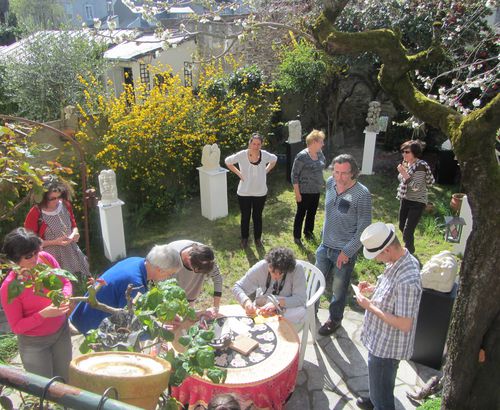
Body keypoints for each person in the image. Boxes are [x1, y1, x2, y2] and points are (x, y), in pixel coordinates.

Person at [355, 222, 422, 410]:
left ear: (387, 250)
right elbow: (392, 290)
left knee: (383, 396)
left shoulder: (407, 280)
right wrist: (373, 288)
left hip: (387, 348)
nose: (376, 260)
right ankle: (376, 396)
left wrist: (369, 306)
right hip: (380, 339)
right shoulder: (400, 259)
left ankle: (379, 402)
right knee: (381, 382)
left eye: (376, 256)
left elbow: (404, 324)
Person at [0, 228, 73, 380]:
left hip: (61, 332)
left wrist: (65, 296)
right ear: (15, 260)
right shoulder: (10, 287)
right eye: (28, 256)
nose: (35, 258)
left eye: (36, 252)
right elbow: (17, 326)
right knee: (43, 388)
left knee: (66, 378)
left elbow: (65, 280)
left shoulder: (45, 259)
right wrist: (44, 314)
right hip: (35, 344)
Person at [316, 154, 372, 336]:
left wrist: (347, 251)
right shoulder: (330, 182)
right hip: (325, 246)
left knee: (338, 290)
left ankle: (334, 319)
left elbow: (364, 229)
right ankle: (310, 312)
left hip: (344, 251)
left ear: (354, 173)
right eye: (336, 172)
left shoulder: (362, 194)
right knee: (316, 282)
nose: (339, 178)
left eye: (344, 173)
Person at [69, 244, 181, 334]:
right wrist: (160, 331)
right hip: (91, 329)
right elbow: (130, 327)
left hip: (81, 316)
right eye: (170, 274)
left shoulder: (136, 261)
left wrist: (164, 313)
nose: (169, 278)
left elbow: (141, 305)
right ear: (160, 270)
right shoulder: (135, 284)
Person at [24, 176, 90, 277]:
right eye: (52, 198)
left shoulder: (65, 205)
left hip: (70, 251)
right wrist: (55, 242)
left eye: (59, 197)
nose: (57, 200)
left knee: (77, 281)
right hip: (50, 257)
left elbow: (73, 225)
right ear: (43, 198)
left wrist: (75, 233)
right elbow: (30, 241)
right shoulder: (36, 213)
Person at [225, 133, 277, 248]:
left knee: (257, 216)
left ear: (261, 145)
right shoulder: (242, 154)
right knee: (245, 216)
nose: (256, 146)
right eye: (254, 143)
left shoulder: (264, 155)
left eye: (258, 144)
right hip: (244, 192)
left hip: (260, 192)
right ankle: (244, 239)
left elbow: (274, 159)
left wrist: (266, 170)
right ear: (250, 143)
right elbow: (227, 161)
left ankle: (258, 239)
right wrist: (239, 173)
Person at [232, 247, 306, 325]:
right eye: (272, 272)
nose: (276, 276)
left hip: (287, 308)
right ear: (268, 265)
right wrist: (246, 302)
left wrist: (277, 303)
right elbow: (237, 287)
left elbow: (300, 299)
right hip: (263, 305)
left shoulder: (297, 268)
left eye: (280, 273)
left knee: (301, 312)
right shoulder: (262, 266)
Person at [396, 140, 435, 255]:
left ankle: (409, 252)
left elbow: (415, 187)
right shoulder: (407, 164)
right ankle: (407, 248)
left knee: (408, 230)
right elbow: (402, 180)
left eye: (407, 152)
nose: (404, 154)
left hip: (417, 202)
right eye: (403, 151)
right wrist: (404, 171)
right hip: (406, 199)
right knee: (401, 226)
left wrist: (404, 173)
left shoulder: (420, 166)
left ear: (415, 153)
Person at [168, 240, 222, 316]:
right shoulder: (170, 256)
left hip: (190, 292)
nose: (199, 274)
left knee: (189, 318)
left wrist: (216, 307)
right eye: (197, 271)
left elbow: (218, 278)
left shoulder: (206, 256)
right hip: (170, 292)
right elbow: (163, 287)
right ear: (188, 259)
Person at [291, 129, 326, 245]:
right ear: (314, 142)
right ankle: (297, 236)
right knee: (301, 213)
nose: (323, 144)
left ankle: (308, 233)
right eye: (321, 141)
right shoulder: (302, 156)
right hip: (303, 191)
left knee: (312, 213)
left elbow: (322, 167)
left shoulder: (320, 153)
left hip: (316, 190)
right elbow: (294, 175)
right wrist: (297, 193)